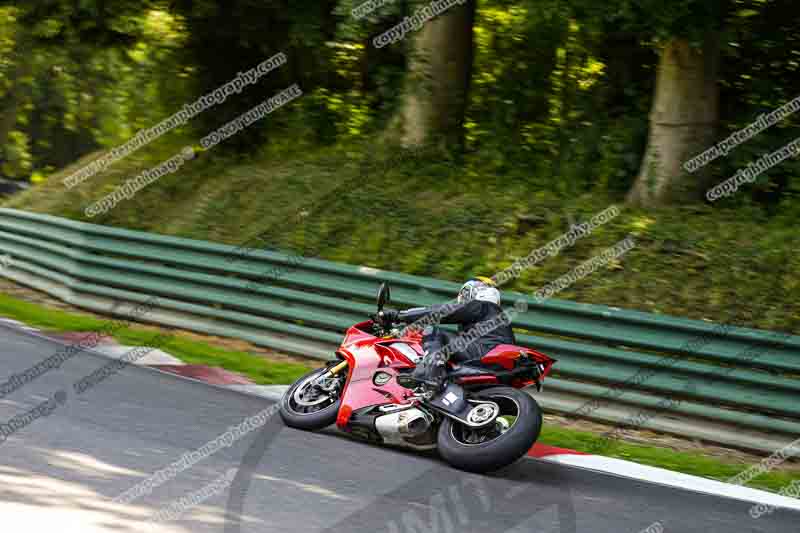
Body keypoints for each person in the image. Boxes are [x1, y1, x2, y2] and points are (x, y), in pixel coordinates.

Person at [378, 277, 515, 388]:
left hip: (484, 353)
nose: (463, 298)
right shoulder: (496, 318)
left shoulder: (482, 306)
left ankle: (429, 371)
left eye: (466, 293)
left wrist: (400, 316)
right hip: (499, 366)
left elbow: (441, 312)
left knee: (433, 332)